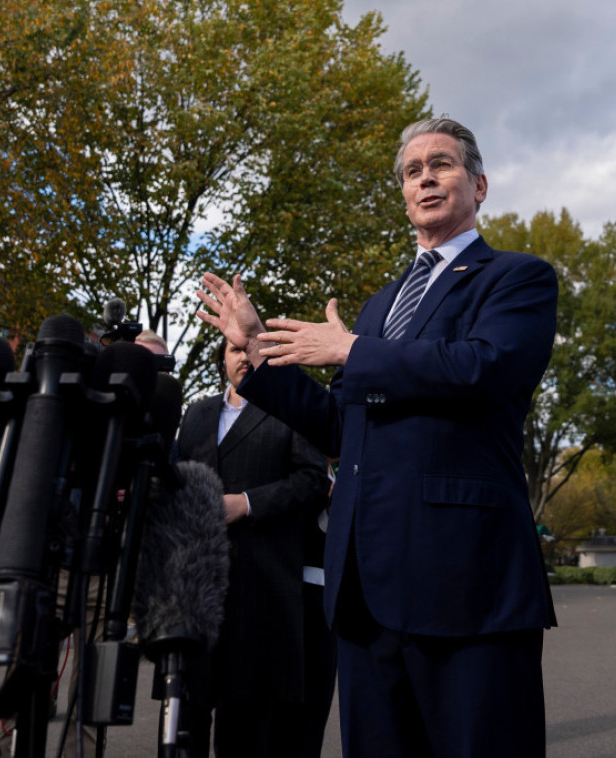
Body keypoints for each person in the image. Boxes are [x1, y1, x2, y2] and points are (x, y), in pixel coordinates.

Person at [196, 117, 558, 757]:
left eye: (441, 164)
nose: (426, 179)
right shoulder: (379, 306)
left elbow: (484, 367)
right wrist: (256, 352)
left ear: (478, 185)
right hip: (365, 590)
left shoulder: (517, 277)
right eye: (413, 172)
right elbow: (340, 426)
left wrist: (351, 350)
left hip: (465, 578)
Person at [176, 337, 331, 757]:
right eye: (234, 349)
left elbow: (314, 480)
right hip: (196, 592)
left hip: (261, 591)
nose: (243, 357)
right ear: (222, 359)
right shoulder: (196, 413)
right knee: (183, 721)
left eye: (250, 348)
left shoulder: (288, 411)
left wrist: (246, 504)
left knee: (243, 728)